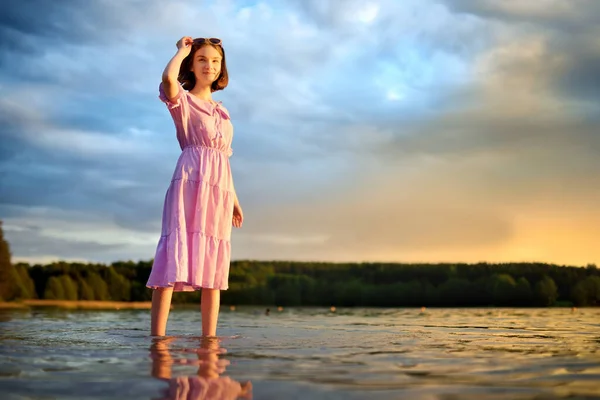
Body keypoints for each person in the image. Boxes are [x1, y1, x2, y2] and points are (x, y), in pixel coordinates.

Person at [146, 36, 243, 337]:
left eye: (215, 61)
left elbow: (223, 159)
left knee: (214, 266)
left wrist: (235, 201)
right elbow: (167, 78)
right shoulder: (184, 101)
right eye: (202, 59)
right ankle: (158, 340)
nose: (209, 66)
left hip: (219, 189)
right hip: (190, 181)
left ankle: (209, 341)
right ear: (192, 64)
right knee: (173, 254)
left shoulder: (223, 112)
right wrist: (181, 51)